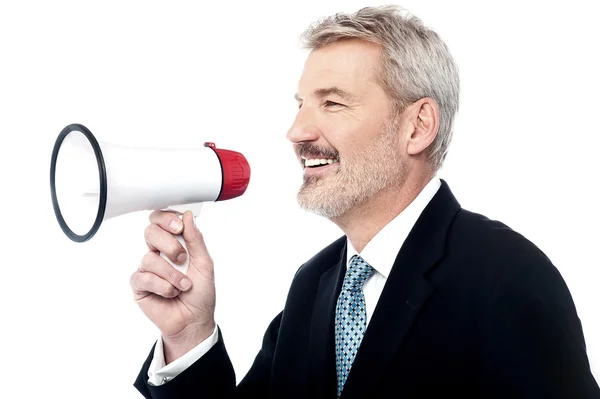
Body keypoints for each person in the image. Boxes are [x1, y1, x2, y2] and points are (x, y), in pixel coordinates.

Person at [130, 5, 600, 398]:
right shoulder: (313, 286)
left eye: (332, 103)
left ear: (417, 126)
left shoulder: (507, 277)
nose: (296, 133)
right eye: (301, 104)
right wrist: (187, 335)